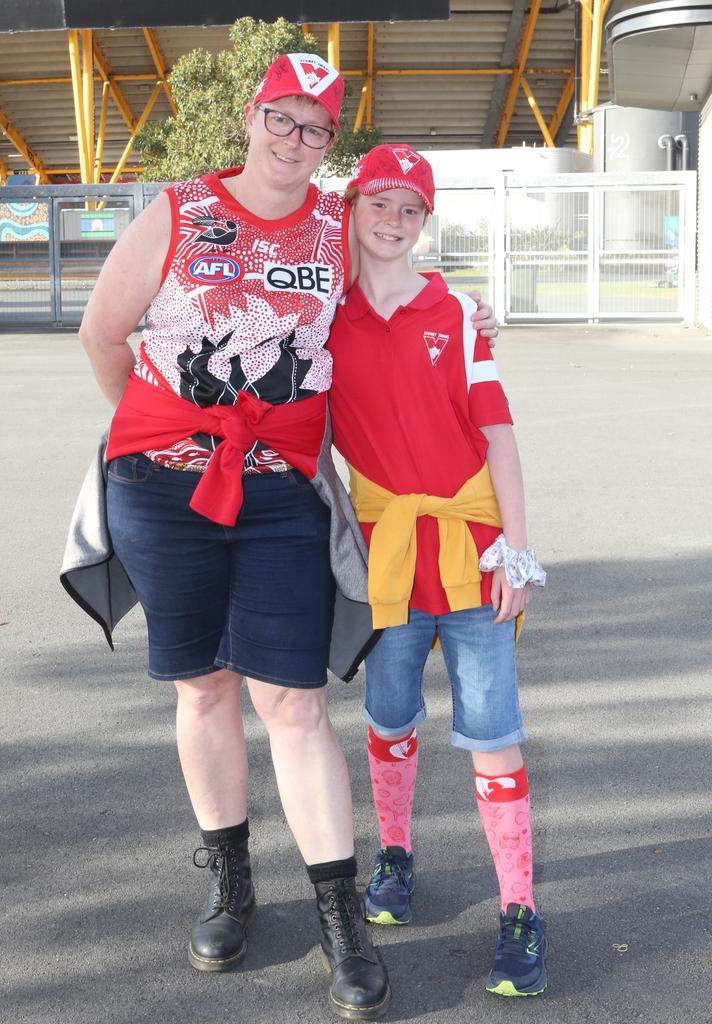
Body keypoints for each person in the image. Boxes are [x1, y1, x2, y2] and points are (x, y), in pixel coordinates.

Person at [72, 53, 497, 1020]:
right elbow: (105, 336)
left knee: (293, 701)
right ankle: (229, 880)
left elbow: (396, 268)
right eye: (282, 119)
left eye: (315, 128)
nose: (295, 140)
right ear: (254, 117)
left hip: (279, 496)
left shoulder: (335, 221)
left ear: (328, 140)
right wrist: (163, 433)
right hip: (162, 486)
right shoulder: (179, 211)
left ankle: (338, 911)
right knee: (202, 685)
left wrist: (465, 311)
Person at [327, 145, 548, 998]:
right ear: (352, 213)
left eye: (409, 210)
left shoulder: (456, 313)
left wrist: (516, 552)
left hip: (473, 554)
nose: (392, 223)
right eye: (377, 206)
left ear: (426, 223)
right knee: (387, 714)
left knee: (492, 731)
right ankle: (395, 857)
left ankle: (520, 909)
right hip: (384, 559)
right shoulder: (324, 320)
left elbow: (498, 434)